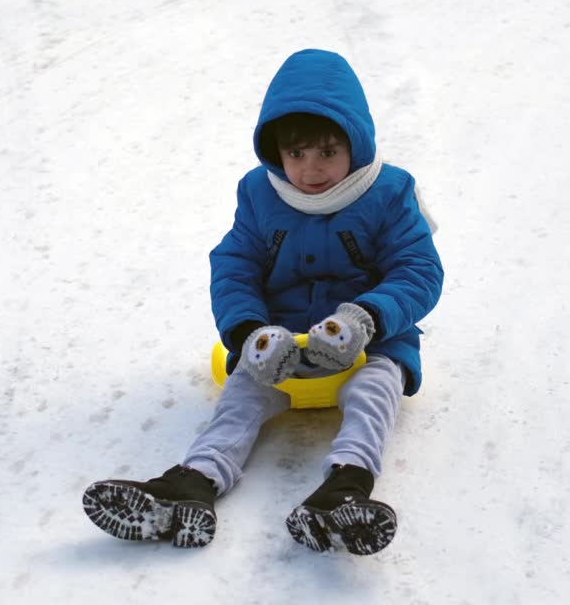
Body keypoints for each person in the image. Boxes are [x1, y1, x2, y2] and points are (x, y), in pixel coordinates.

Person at [82, 48, 443, 556]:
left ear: (355, 144)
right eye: (296, 155)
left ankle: (345, 489)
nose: (311, 170)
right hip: (283, 345)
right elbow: (234, 264)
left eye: (326, 152)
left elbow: (419, 268)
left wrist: (366, 318)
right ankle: (193, 481)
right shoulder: (259, 192)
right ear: (276, 152)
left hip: (369, 341)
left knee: (374, 391)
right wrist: (250, 332)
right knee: (241, 397)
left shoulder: (388, 191)